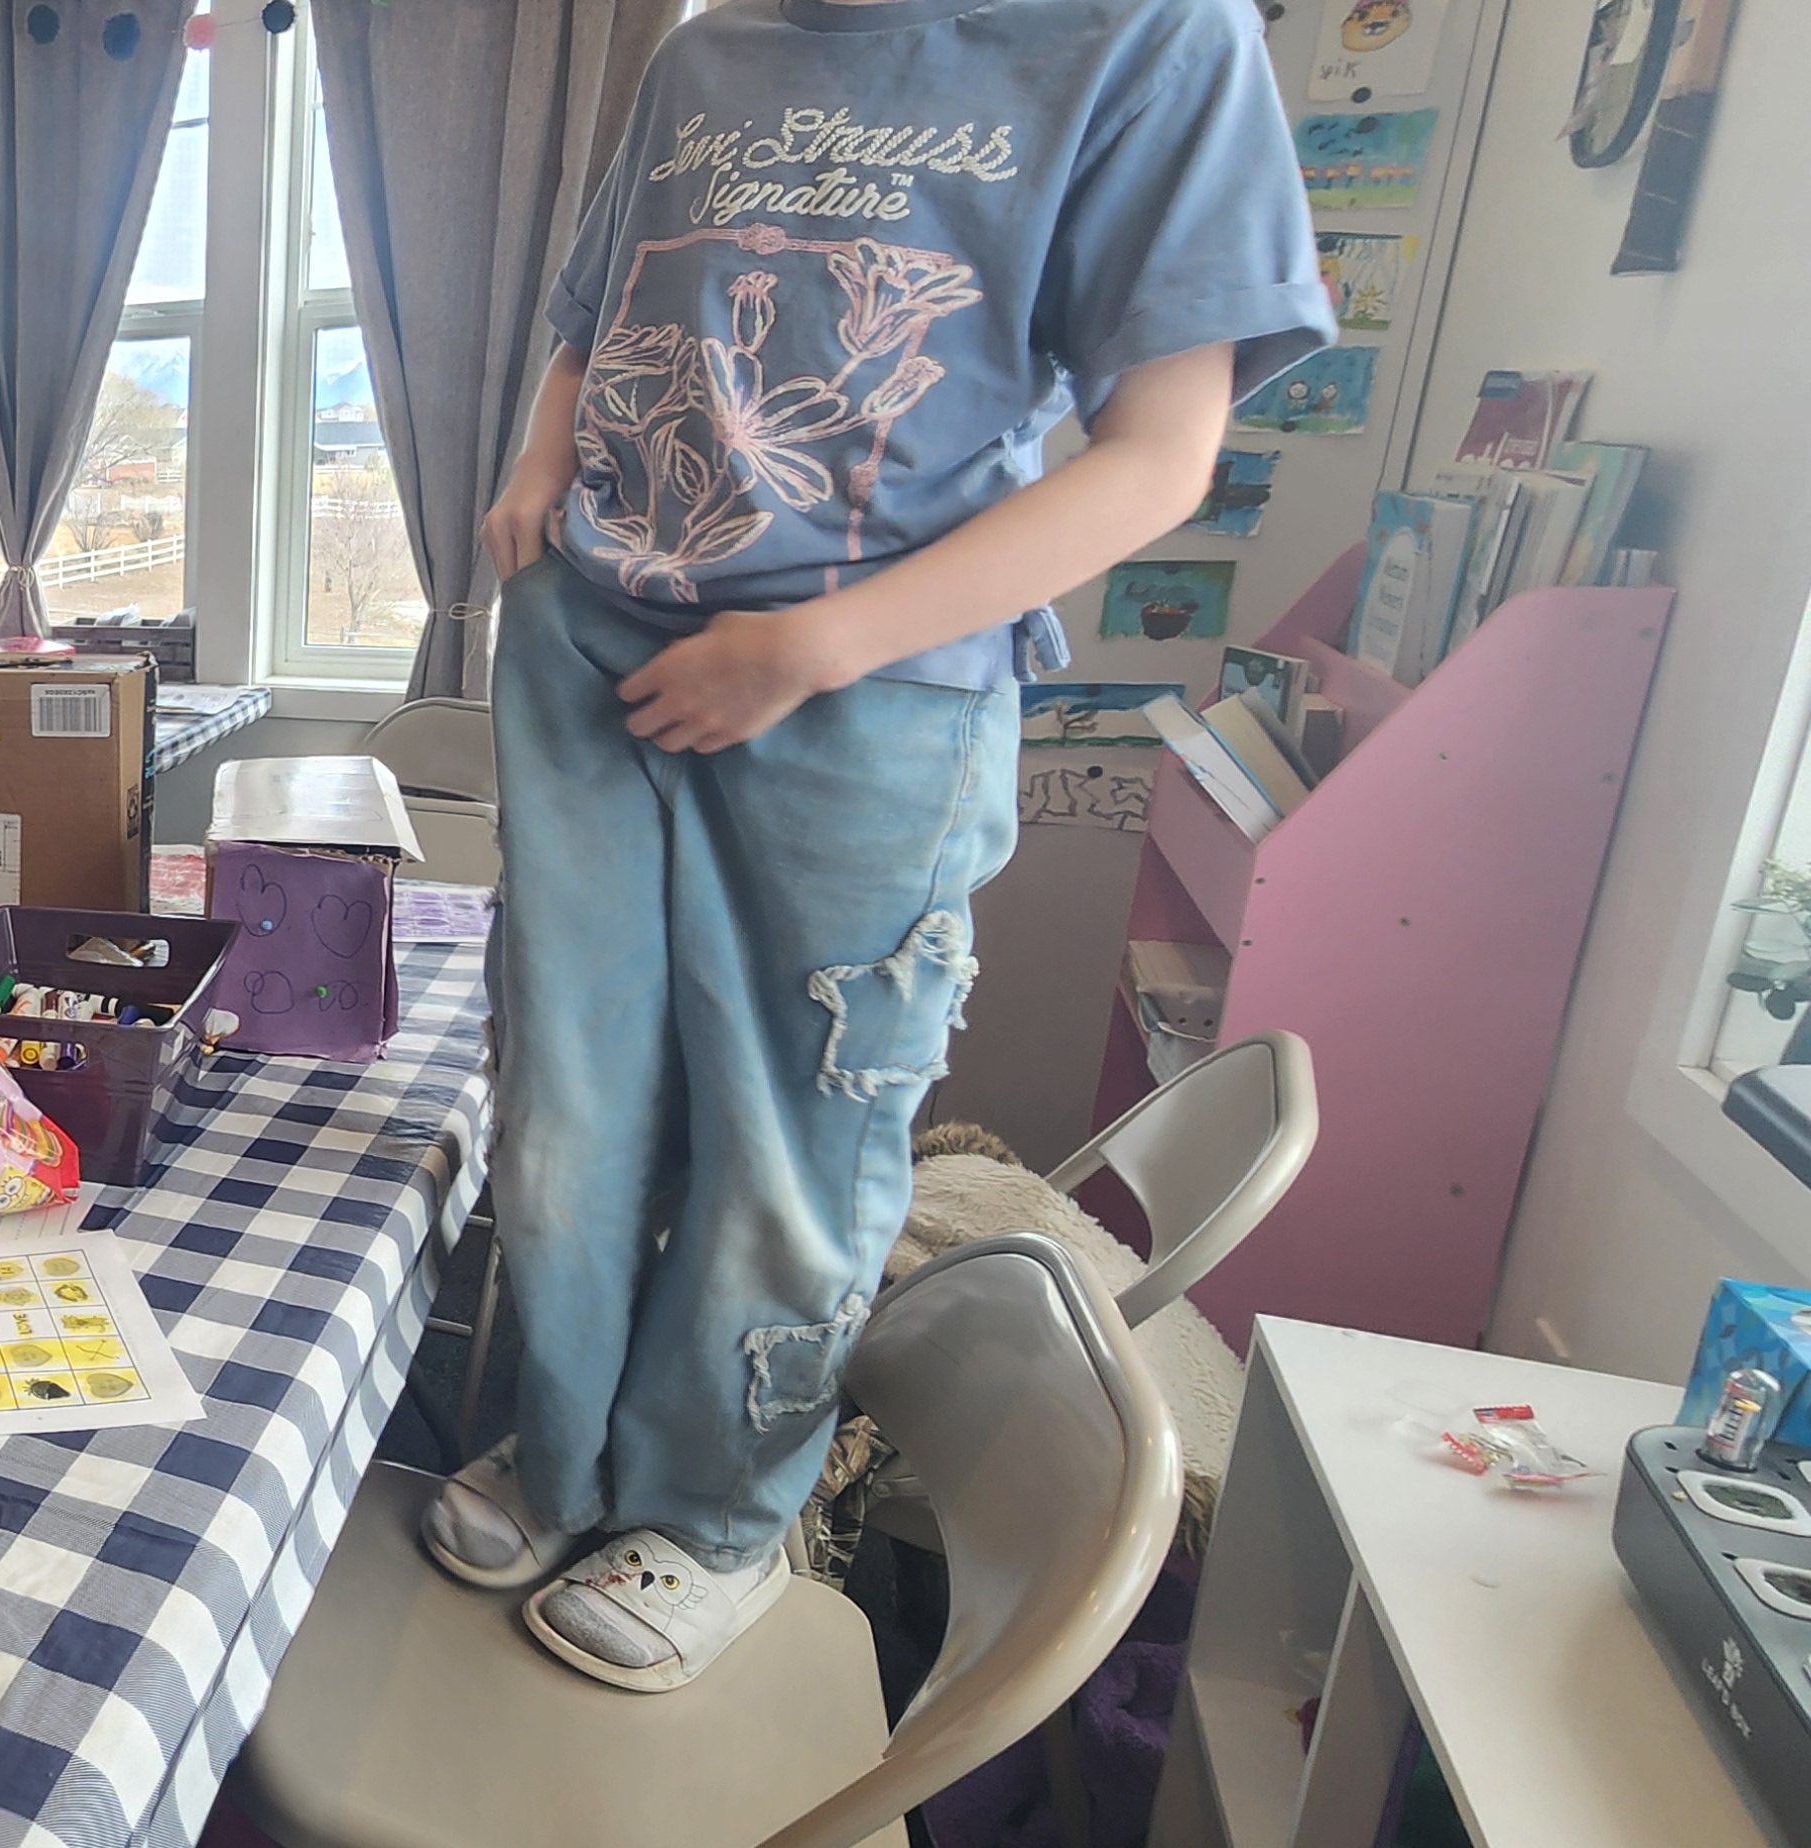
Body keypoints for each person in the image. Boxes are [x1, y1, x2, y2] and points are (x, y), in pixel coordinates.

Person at [426, 0, 1329, 1693]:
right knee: (563, 1102)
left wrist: (816, 648)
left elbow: (1162, 458)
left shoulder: (1152, 38)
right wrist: (539, 464)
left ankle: (715, 1517)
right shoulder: (708, 51)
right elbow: (596, 308)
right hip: (588, 640)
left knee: (793, 1141)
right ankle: (564, 1457)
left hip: (867, 688)